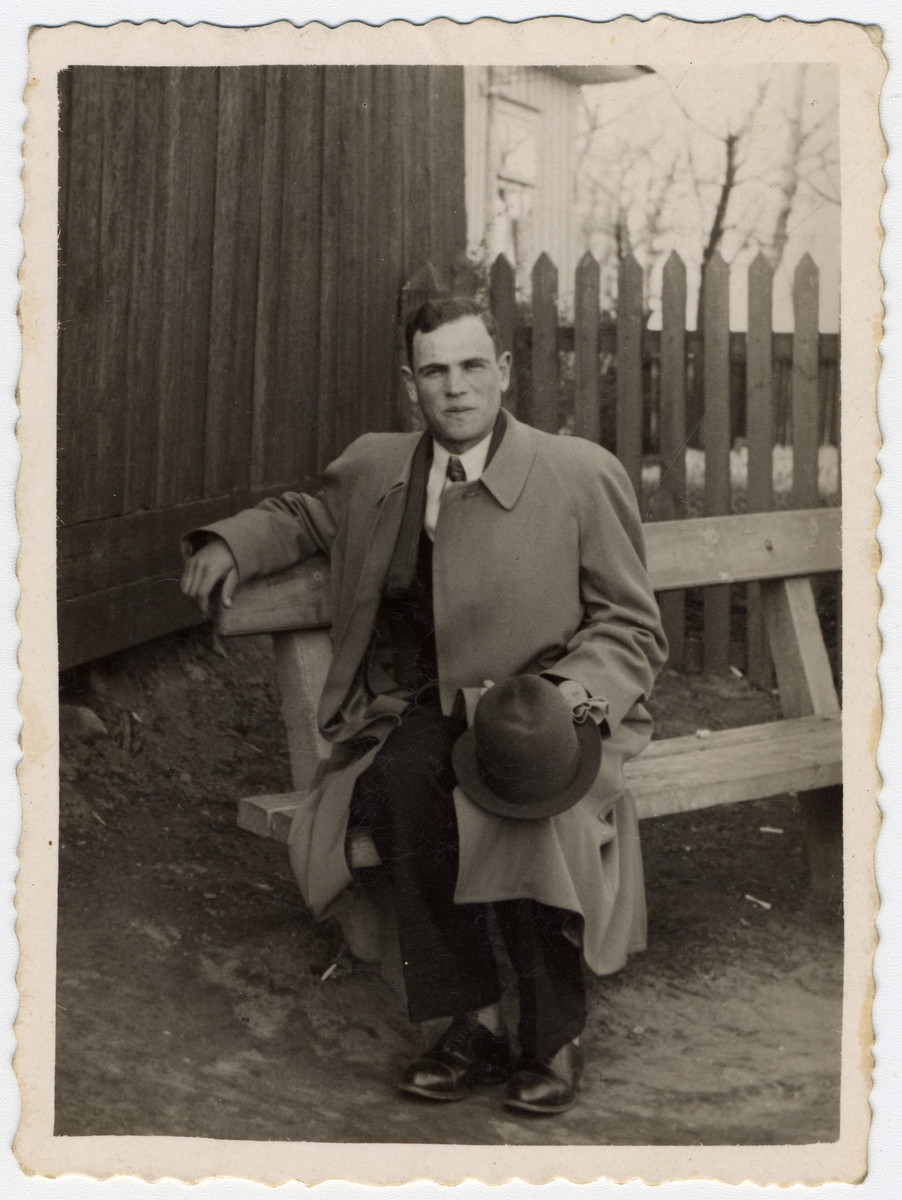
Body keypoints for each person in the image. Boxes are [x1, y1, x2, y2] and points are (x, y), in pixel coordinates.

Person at [181, 296, 667, 1115]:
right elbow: (308, 514)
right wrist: (233, 540)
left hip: (545, 710)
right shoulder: (382, 467)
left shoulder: (577, 474)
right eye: (435, 371)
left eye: (473, 366)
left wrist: (565, 700)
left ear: (503, 373)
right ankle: (470, 1024)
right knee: (409, 788)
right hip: (419, 705)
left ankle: (551, 1035)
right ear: (412, 386)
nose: (456, 388)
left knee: (523, 800)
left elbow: (631, 624)